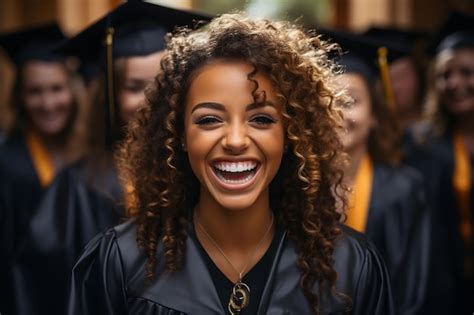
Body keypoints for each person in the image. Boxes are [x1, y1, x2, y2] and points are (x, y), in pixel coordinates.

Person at [68, 13, 394, 315]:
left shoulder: (350, 266)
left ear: (290, 134)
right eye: (209, 120)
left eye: (262, 119)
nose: (235, 141)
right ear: (180, 134)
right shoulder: (122, 263)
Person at [3, 2, 210, 315]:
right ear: (110, 94)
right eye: (134, 86)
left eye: (162, 83)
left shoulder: (203, 169)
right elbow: (39, 286)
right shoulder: (78, 186)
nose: (151, 98)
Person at [324, 29, 431, 314]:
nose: (338, 113)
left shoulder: (404, 189)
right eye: (328, 100)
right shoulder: (296, 187)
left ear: (374, 116)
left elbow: (412, 288)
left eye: (352, 101)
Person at [0, 23, 87, 315]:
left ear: (73, 90)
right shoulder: (8, 165)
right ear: (20, 98)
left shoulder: (92, 155)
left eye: (56, 89)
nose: (48, 103)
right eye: (34, 92)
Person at [405, 11, 474, 315]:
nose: (454, 82)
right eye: (444, 75)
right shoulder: (422, 144)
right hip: (446, 285)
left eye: (466, 72)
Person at [363, 26, 429, 131]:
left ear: (419, 76)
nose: (395, 86)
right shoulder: (374, 135)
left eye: (402, 76)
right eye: (388, 79)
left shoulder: (438, 132)